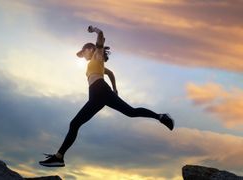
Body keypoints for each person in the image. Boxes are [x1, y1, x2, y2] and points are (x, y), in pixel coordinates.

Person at [39, 26, 174, 167]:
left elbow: (101, 34)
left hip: (100, 90)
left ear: (90, 49)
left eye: (83, 52)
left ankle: (59, 157)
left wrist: (94, 29)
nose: (83, 56)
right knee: (130, 112)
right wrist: (115, 89)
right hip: (98, 95)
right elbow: (110, 73)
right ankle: (161, 116)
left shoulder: (97, 54)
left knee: (75, 124)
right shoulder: (97, 63)